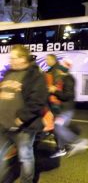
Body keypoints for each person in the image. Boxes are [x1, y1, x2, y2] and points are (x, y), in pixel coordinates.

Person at [0, 45, 48, 183]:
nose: (10, 60)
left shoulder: (35, 75)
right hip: (3, 125)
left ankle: (26, 181)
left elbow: (38, 100)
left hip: (23, 128)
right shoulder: (8, 73)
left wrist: (22, 118)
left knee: (25, 157)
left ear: (22, 58)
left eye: (13, 58)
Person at [49, 60, 88, 158]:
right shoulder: (64, 78)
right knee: (56, 128)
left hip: (66, 110)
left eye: (59, 68)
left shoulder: (68, 79)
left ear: (62, 69)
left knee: (58, 127)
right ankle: (61, 149)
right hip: (62, 109)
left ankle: (78, 141)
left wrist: (55, 91)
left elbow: (68, 95)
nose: (57, 70)